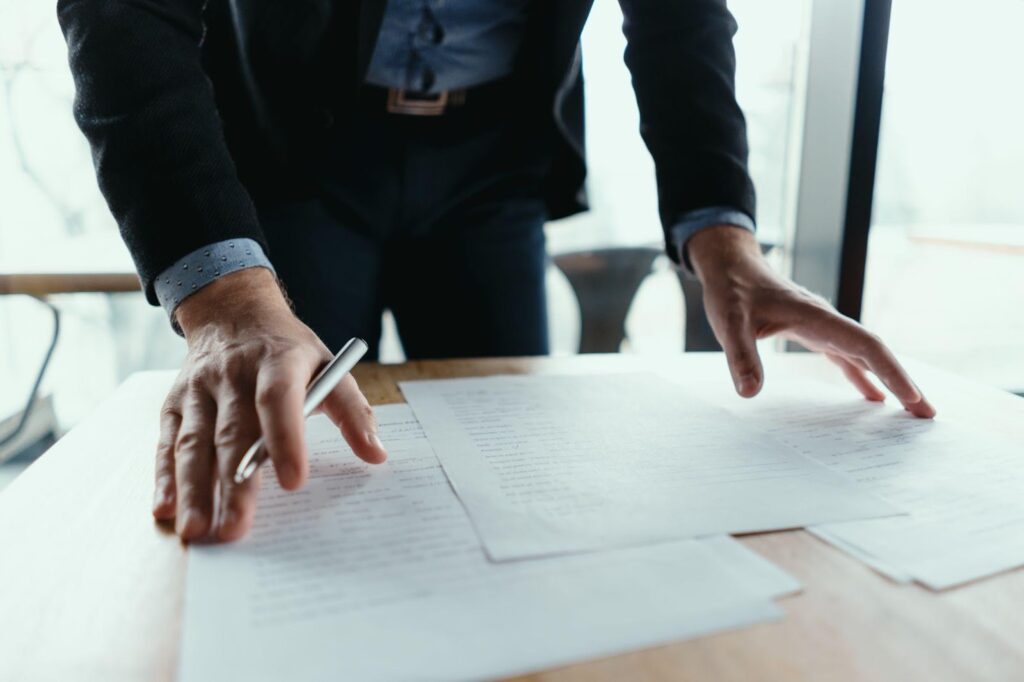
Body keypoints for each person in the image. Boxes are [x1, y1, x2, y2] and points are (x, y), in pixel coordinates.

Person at [59, 0, 934, 543]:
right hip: (296, 150)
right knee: (293, 468)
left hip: (497, 163)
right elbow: (124, 10)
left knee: (520, 478)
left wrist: (722, 232)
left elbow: (679, 15)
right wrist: (221, 295)